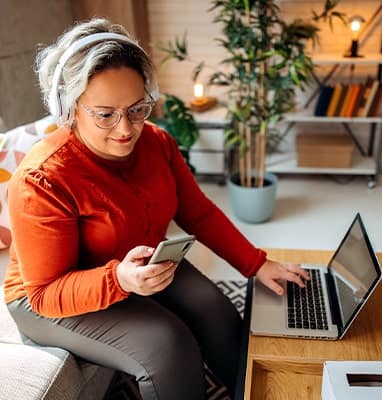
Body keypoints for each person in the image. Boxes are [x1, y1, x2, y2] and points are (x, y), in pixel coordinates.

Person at [3, 18, 309, 400]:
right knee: (168, 344)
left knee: (218, 313)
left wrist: (257, 264)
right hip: (51, 298)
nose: (125, 130)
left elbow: (198, 212)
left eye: (137, 109)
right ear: (69, 107)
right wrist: (120, 280)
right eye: (104, 114)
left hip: (140, 262)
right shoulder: (42, 179)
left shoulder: (157, 142)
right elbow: (45, 293)